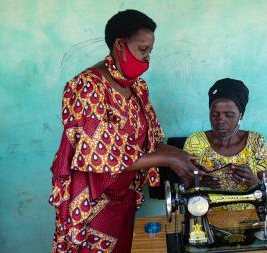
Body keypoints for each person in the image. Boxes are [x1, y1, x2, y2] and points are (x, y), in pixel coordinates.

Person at [49, 10, 197, 253]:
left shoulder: (136, 87)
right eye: (143, 49)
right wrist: (170, 158)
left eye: (150, 51)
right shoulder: (88, 87)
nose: (148, 59)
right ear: (120, 44)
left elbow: (149, 142)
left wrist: (181, 156)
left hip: (124, 199)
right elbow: (101, 155)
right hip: (93, 205)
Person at [183, 78, 267, 210]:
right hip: (207, 217)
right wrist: (200, 185)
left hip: (248, 218)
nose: (221, 121)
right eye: (214, 115)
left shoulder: (256, 141)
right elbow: (183, 191)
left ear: (241, 115)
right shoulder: (195, 142)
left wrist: (254, 182)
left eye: (229, 115)